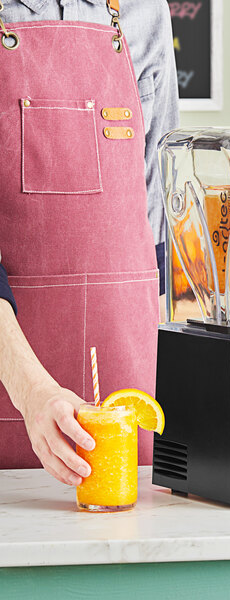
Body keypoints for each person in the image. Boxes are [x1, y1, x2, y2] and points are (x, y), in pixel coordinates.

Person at [0, 0, 179, 485]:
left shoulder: (143, 11)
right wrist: (33, 392)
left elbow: (157, 218)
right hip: (12, 370)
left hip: (127, 356)